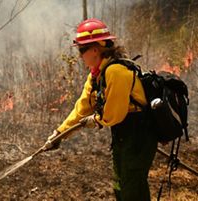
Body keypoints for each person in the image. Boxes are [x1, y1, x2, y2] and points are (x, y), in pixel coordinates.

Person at [46, 18, 157, 201]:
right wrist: (59, 134)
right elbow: (82, 108)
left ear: (95, 49)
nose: (80, 55)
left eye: (82, 50)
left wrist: (96, 120)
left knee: (132, 188)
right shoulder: (97, 75)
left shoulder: (116, 72)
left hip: (139, 134)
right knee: (120, 186)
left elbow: (114, 114)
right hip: (123, 134)